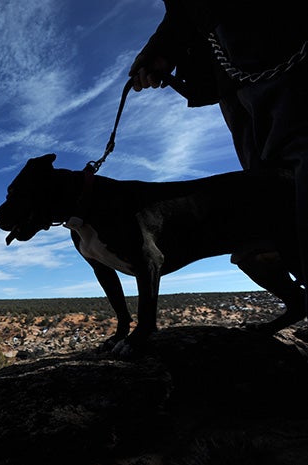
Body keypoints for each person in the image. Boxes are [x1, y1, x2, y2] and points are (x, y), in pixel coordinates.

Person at [128, 0, 308, 331]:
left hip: (274, 37)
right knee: (266, 191)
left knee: (295, 159)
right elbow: (183, 9)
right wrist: (161, 50)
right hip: (229, 71)